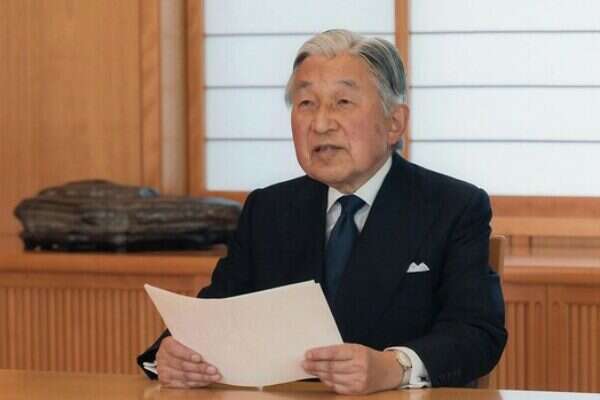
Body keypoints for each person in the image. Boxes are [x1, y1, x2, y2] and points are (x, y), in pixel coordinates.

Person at [137, 29, 507, 394]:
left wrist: (395, 367)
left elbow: (477, 331)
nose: (320, 123)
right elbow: (214, 313)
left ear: (394, 122)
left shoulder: (452, 207)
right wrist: (171, 355)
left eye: (342, 102)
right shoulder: (269, 210)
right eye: (306, 104)